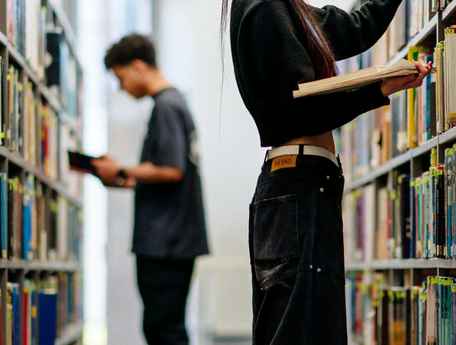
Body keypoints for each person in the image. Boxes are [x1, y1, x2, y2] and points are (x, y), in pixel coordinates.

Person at [223, 0, 432, 344]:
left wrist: (383, 84)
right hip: (297, 183)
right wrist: (378, 89)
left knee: (312, 325)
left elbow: (354, 28)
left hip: (304, 182)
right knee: (301, 328)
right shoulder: (264, 7)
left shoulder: (285, 8)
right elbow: (300, 111)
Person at [94, 33, 209, 345]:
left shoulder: (167, 106)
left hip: (165, 241)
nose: (121, 87)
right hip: (174, 237)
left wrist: (119, 168)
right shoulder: (175, 103)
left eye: (120, 78)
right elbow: (168, 172)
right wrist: (124, 178)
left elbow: (172, 170)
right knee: (166, 325)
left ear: (138, 66)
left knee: (163, 329)